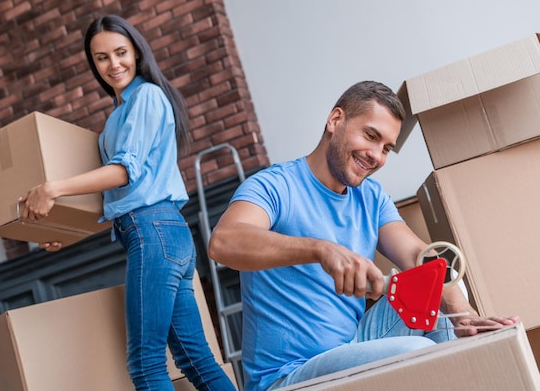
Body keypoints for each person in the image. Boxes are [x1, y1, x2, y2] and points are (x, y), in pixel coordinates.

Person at [208, 80, 519, 390]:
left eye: (386, 148)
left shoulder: (371, 197)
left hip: (353, 346)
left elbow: (417, 257)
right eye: (370, 136)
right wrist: (321, 250)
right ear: (335, 120)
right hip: (289, 377)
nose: (376, 156)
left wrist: (463, 315)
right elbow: (224, 242)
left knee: (443, 281)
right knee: (418, 355)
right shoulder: (274, 186)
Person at [19, 15, 236, 391]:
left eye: (120, 53)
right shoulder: (121, 112)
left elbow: (123, 173)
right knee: (195, 359)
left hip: (154, 232)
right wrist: (64, 234)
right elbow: (117, 197)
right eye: (101, 58)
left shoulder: (147, 97)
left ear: (136, 51)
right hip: (161, 233)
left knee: (146, 363)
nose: (113, 64)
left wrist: (53, 188)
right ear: (93, 64)